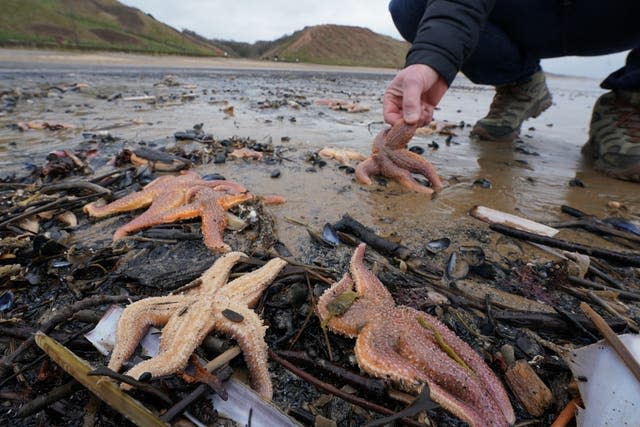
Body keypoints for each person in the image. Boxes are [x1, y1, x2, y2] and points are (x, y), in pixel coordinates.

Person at [383, 0, 640, 182]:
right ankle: (520, 85)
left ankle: (630, 101)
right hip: (528, 12)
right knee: (411, 5)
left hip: (619, 17)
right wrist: (432, 58)